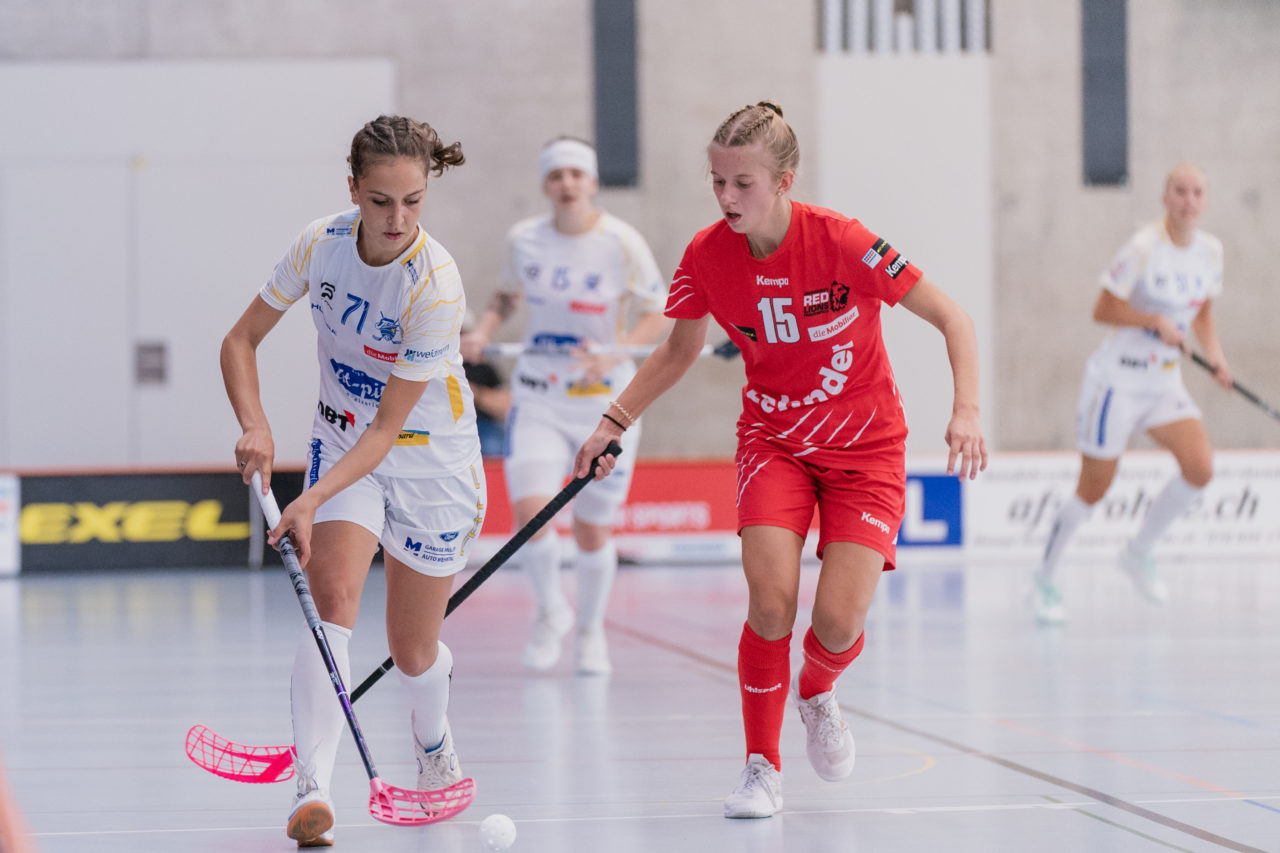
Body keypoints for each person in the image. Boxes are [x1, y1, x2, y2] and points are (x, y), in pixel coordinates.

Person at [573, 101, 987, 818]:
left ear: (784, 181)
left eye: (743, 183)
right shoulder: (706, 255)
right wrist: (613, 421)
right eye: (717, 181)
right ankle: (761, 767)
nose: (726, 196)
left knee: (838, 624)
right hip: (775, 442)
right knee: (769, 603)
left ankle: (817, 689)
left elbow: (953, 316)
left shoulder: (845, 241)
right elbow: (678, 350)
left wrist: (967, 409)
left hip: (866, 448)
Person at [221, 115, 486, 847]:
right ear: (352, 190)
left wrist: (306, 498)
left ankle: (433, 741)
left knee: (412, 651)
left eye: (413, 201)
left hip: (429, 460)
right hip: (343, 435)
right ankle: (313, 788)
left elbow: (387, 431)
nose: (397, 219)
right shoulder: (321, 244)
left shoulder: (436, 284)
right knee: (331, 599)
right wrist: (256, 424)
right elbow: (240, 340)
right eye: (380, 201)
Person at [461, 137, 669, 675]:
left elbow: (659, 311)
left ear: (593, 181)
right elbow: (507, 294)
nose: (567, 184)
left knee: (591, 529)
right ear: (545, 184)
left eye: (577, 174)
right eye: (557, 176)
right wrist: (483, 331)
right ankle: (550, 611)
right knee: (532, 515)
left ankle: (591, 633)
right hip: (539, 395)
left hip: (605, 406)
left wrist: (614, 353)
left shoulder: (622, 242)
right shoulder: (524, 239)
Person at [1031, 163, 1232, 624]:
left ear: (1205, 201)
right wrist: (1152, 321)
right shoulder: (1144, 248)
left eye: (1197, 192)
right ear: (1165, 198)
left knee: (1200, 468)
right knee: (1095, 487)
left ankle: (1137, 552)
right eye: (1180, 191)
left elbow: (1202, 313)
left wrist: (1216, 357)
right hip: (1117, 382)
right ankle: (1043, 580)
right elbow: (1102, 309)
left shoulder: (1211, 252)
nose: (1188, 200)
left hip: (1163, 382)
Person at [460, 311, 512, 457]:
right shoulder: (429, 364)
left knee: (493, 446)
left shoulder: (481, 366)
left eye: (462, 333)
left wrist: (473, 393)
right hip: (440, 424)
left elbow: (507, 406)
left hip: (480, 424)